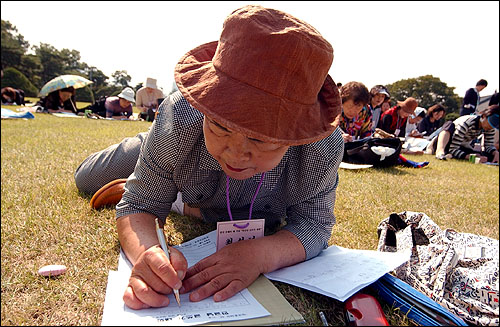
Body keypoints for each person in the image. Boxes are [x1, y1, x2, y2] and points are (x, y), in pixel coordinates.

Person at [75, 5, 344, 309]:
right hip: (175, 144)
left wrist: (259, 254)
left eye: (261, 138)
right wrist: (147, 252)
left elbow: (313, 224)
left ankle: (174, 193)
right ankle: (148, 154)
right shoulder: (180, 117)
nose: (236, 153)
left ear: (298, 134)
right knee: (86, 179)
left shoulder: (321, 148)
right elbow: (139, 205)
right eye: (219, 125)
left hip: (214, 201)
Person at [434, 104, 499, 162]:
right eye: (490, 122)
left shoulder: (489, 128)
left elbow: (488, 145)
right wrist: (468, 156)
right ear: (483, 116)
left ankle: (450, 155)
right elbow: (453, 148)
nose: (490, 127)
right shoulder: (467, 123)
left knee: (485, 156)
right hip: (448, 143)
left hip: (461, 146)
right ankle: (440, 151)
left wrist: (495, 153)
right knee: (449, 124)